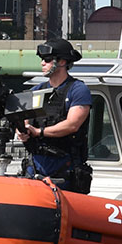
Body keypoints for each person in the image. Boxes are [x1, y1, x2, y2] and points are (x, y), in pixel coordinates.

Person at [16, 38, 93, 193]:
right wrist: (21, 131)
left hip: (65, 168)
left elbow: (72, 124)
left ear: (62, 62)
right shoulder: (36, 91)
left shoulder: (78, 90)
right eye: (42, 60)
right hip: (36, 167)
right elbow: (23, 119)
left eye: (47, 60)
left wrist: (39, 132)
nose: (42, 63)